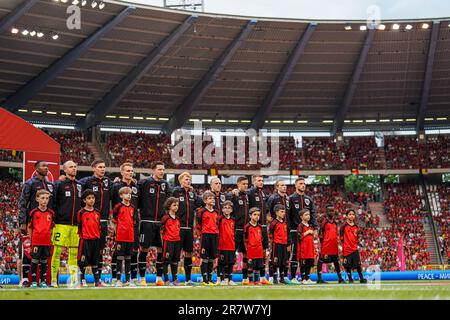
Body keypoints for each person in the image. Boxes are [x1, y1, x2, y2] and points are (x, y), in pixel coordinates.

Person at [18, 160, 54, 287]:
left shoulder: (50, 184)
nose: (46, 168)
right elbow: (23, 203)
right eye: (43, 166)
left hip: (44, 225)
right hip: (30, 223)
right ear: (36, 168)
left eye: (47, 166)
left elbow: (52, 204)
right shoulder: (30, 183)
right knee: (27, 252)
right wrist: (23, 222)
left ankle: (42, 280)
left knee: (41, 254)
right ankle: (24, 279)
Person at [137, 161, 172, 286]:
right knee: (144, 249)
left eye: (163, 169)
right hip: (147, 220)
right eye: (159, 169)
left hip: (161, 222)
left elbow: (170, 201)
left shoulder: (165, 185)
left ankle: (159, 278)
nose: (162, 171)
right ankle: (141, 278)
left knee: (161, 249)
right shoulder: (144, 183)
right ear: (153, 170)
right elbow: (137, 199)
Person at [79, 160, 113, 284]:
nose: (102, 169)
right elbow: (77, 186)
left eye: (104, 167)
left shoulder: (108, 182)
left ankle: (97, 281)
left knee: (99, 251)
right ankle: (80, 279)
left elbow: (117, 189)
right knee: (84, 252)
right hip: (89, 220)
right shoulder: (86, 181)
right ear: (94, 168)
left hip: (103, 220)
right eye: (100, 167)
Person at [51, 160, 82, 287]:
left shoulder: (80, 185)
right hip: (61, 224)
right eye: (71, 167)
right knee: (57, 251)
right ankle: (53, 280)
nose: (74, 169)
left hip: (76, 225)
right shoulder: (59, 184)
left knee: (74, 253)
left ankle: (74, 280)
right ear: (65, 170)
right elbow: (53, 202)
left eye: (75, 167)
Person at [111, 162, 140, 286]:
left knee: (130, 255)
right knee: (118, 254)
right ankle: (115, 278)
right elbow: (113, 213)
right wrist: (115, 229)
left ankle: (130, 279)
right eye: (128, 171)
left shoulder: (136, 187)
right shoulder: (116, 186)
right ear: (122, 172)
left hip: (131, 232)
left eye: (131, 170)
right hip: (120, 232)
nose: (130, 173)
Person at [172, 171, 203, 285]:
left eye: (189, 179)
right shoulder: (175, 191)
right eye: (186, 179)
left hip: (190, 228)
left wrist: (194, 192)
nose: (188, 181)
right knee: (176, 253)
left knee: (189, 253)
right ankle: (174, 279)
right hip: (178, 227)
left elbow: (200, 203)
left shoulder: (192, 194)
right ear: (180, 181)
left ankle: (188, 279)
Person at [288, 176, 316, 282]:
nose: (303, 185)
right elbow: (288, 215)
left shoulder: (309, 199)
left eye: (304, 183)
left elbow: (313, 213)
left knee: (307, 254)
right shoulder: (291, 198)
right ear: (295, 185)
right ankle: (294, 277)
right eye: (300, 183)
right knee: (295, 254)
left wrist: (315, 227)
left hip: (307, 231)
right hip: (295, 231)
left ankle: (306, 278)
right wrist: (289, 229)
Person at [28, 189, 55, 288]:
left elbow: (52, 227)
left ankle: (43, 281)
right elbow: (30, 227)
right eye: (42, 198)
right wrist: (32, 240)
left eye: (47, 198)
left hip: (47, 242)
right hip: (36, 241)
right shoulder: (33, 213)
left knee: (44, 261)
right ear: (37, 199)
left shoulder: (51, 213)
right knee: (35, 260)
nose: (45, 200)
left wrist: (50, 238)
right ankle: (34, 281)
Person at [247, 174, 270, 284]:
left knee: (263, 252)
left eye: (262, 180)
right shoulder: (250, 192)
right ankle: (248, 278)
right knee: (251, 254)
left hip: (263, 226)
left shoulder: (263, 193)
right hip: (254, 227)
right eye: (259, 180)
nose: (261, 182)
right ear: (253, 182)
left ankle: (262, 278)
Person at [267, 180, 290, 282]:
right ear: (277, 187)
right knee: (274, 260)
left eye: (285, 185)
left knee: (284, 260)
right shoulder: (272, 198)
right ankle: (273, 277)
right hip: (276, 242)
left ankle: (283, 277)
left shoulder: (288, 198)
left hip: (285, 238)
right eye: (282, 185)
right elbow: (267, 212)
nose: (284, 187)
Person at [77, 189, 101, 287]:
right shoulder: (81, 212)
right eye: (89, 198)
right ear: (84, 200)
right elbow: (79, 226)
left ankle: (97, 282)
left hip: (95, 240)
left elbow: (98, 226)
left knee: (95, 262)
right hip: (85, 240)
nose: (91, 200)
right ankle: (81, 281)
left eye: (93, 198)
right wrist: (83, 236)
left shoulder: (97, 212)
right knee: (82, 262)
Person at [229, 176, 250, 284]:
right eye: (243, 184)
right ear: (238, 184)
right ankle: (229, 278)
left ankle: (245, 278)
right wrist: (231, 193)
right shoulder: (233, 195)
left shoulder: (247, 196)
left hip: (246, 230)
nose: (245, 186)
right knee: (231, 254)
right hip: (236, 229)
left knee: (246, 254)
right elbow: (226, 206)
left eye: (247, 184)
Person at [196, 191, 220, 285]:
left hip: (214, 236)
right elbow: (198, 224)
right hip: (205, 235)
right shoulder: (201, 211)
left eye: (213, 198)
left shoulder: (216, 212)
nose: (212, 200)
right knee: (204, 257)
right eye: (210, 198)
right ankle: (204, 279)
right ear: (205, 201)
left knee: (211, 258)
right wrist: (199, 234)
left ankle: (210, 279)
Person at [317, 205, 345, 284]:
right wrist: (323, 243)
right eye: (330, 211)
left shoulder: (335, 223)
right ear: (326, 212)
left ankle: (340, 278)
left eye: (332, 211)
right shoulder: (324, 222)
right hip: (326, 245)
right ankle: (319, 278)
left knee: (336, 262)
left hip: (334, 246)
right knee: (321, 261)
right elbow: (320, 234)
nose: (331, 212)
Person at [340, 209, 367, 284]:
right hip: (347, 249)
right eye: (350, 214)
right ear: (347, 216)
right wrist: (346, 244)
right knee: (347, 266)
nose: (351, 216)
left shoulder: (356, 226)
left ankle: (361, 279)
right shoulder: (343, 226)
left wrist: (359, 239)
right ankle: (350, 279)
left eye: (353, 214)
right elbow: (341, 237)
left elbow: (358, 237)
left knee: (358, 265)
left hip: (354, 248)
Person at [160, 197, 181, 286]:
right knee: (166, 261)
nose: (176, 207)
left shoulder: (177, 218)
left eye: (177, 205)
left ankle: (175, 279)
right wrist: (163, 242)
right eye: (174, 205)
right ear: (169, 206)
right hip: (168, 241)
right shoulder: (165, 218)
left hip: (177, 241)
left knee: (175, 261)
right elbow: (161, 231)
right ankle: (166, 280)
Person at [244, 207, 266, 285]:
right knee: (250, 266)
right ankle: (250, 280)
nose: (257, 216)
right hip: (251, 250)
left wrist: (262, 249)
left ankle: (256, 280)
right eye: (255, 214)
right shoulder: (247, 227)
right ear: (250, 216)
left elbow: (262, 239)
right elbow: (245, 239)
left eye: (258, 215)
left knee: (257, 267)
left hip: (259, 250)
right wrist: (247, 248)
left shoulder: (260, 227)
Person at [217, 200, 236, 286]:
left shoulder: (233, 220)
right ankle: (222, 279)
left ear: (232, 210)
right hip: (222, 245)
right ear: (222, 209)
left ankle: (230, 279)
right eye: (225, 208)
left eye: (229, 208)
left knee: (230, 263)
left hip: (231, 245)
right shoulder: (220, 219)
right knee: (222, 263)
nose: (227, 210)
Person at [269, 204, 289, 285]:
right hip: (276, 245)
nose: (283, 213)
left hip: (284, 244)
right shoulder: (274, 223)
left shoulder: (285, 223)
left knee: (283, 263)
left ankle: (281, 278)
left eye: (284, 211)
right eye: (282, 212)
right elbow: (270, 234)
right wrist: (271, 244)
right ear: (277, 212)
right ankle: (274, 278)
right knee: (275, 262)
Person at [297, 209, 316, 284]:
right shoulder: (300, 226)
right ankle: (303, 279)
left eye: (309, 214)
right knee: (303, 265)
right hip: (303, 249)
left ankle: (308, 278)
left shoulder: (310, 225)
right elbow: (299, 237)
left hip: (310, 248)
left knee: (309, 264)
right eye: (306, 215)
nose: (308, 216)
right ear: (301, 217)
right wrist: (307, 232)